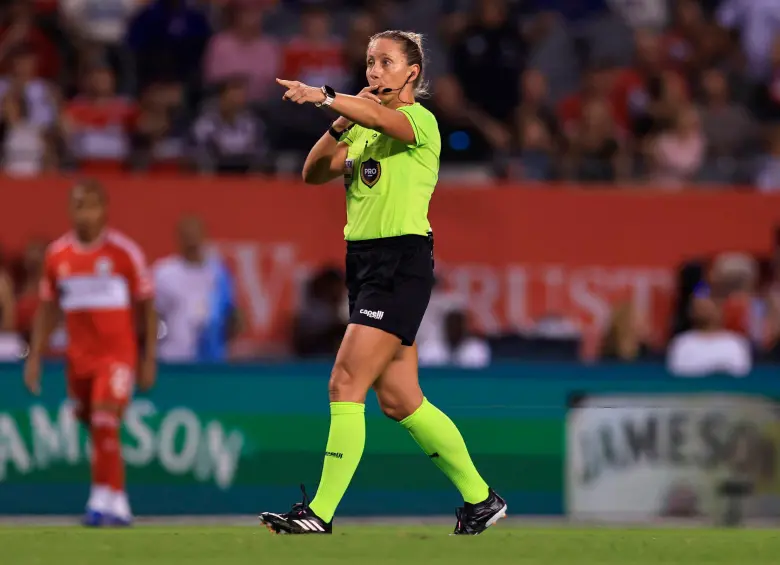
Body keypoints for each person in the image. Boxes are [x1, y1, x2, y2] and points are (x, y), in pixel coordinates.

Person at [259, 30, 506, 536]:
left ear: (412, 72)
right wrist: (339, 120)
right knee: (400, 400)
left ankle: (319, 513)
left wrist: (326, 96)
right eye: (370, 62)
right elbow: (312, 173)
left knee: (345, 382)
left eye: (386, 62)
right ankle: (481, 500)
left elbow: (382, 119)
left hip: (399, 263)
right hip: (364, 265)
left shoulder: (419, 121)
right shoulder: (361, 127)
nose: (374, 71)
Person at [23, 179, 157, 527]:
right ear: (70, 210)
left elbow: (147, 308)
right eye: (78, 206)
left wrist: (148, 358)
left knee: (104, 419)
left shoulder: (125, 253)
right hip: (78, 358)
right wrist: (35, 357)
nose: (84, 214)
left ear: (104, 210)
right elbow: (48, 309)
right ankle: (110, 498)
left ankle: (109, 500)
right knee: (93, 424)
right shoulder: (57, 255)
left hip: (116, 355)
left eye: (91, 206)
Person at [153, 215, 240, 362]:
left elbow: (230, 315)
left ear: (204, 237)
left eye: (195, 235)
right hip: (173, 357)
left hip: (211, 360)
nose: (191, 241)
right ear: (179, 238)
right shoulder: (163, 273)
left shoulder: (218, 273)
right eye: (187, 236)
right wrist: (159, 339)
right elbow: (152, 316)